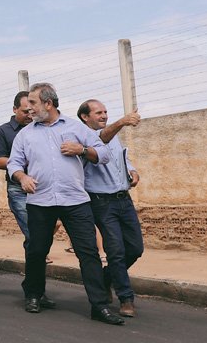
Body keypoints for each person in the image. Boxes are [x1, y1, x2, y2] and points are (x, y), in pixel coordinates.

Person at [7, 83, 124, 325]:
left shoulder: (75, 128)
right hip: (40, 201)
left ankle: (99, 306)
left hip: (75, 200)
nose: (29, 109)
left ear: (48, 104)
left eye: (33, 103)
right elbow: (13, 164)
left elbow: (104, 154)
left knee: (88, 253)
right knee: (37, 250)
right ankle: (34, 295)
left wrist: (82, 149)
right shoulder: (25, 134)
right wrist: (23, 177)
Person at [79, 99, 143, 317]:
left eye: (106, 111)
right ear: (85, 117)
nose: (104, 115)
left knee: (135, 248)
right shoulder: (84, 137)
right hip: (102, 202)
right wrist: (123, 121)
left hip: (124, 200)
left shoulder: (113, 136)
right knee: (115, 251)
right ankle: (126, 298)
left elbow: (120, 159)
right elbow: (101, 140)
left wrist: (132, 172)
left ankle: (106, 278)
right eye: (98, 112)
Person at [0, 92, 35, 244]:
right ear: (15, 109)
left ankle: (35, 253)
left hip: (44, 187)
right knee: (32, 230)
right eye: (25, 111)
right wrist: (27, 161)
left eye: (32, 110)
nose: (30, 115)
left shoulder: (42, 128)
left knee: (44, 229)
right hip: (18, 189)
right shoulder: (2, 131)